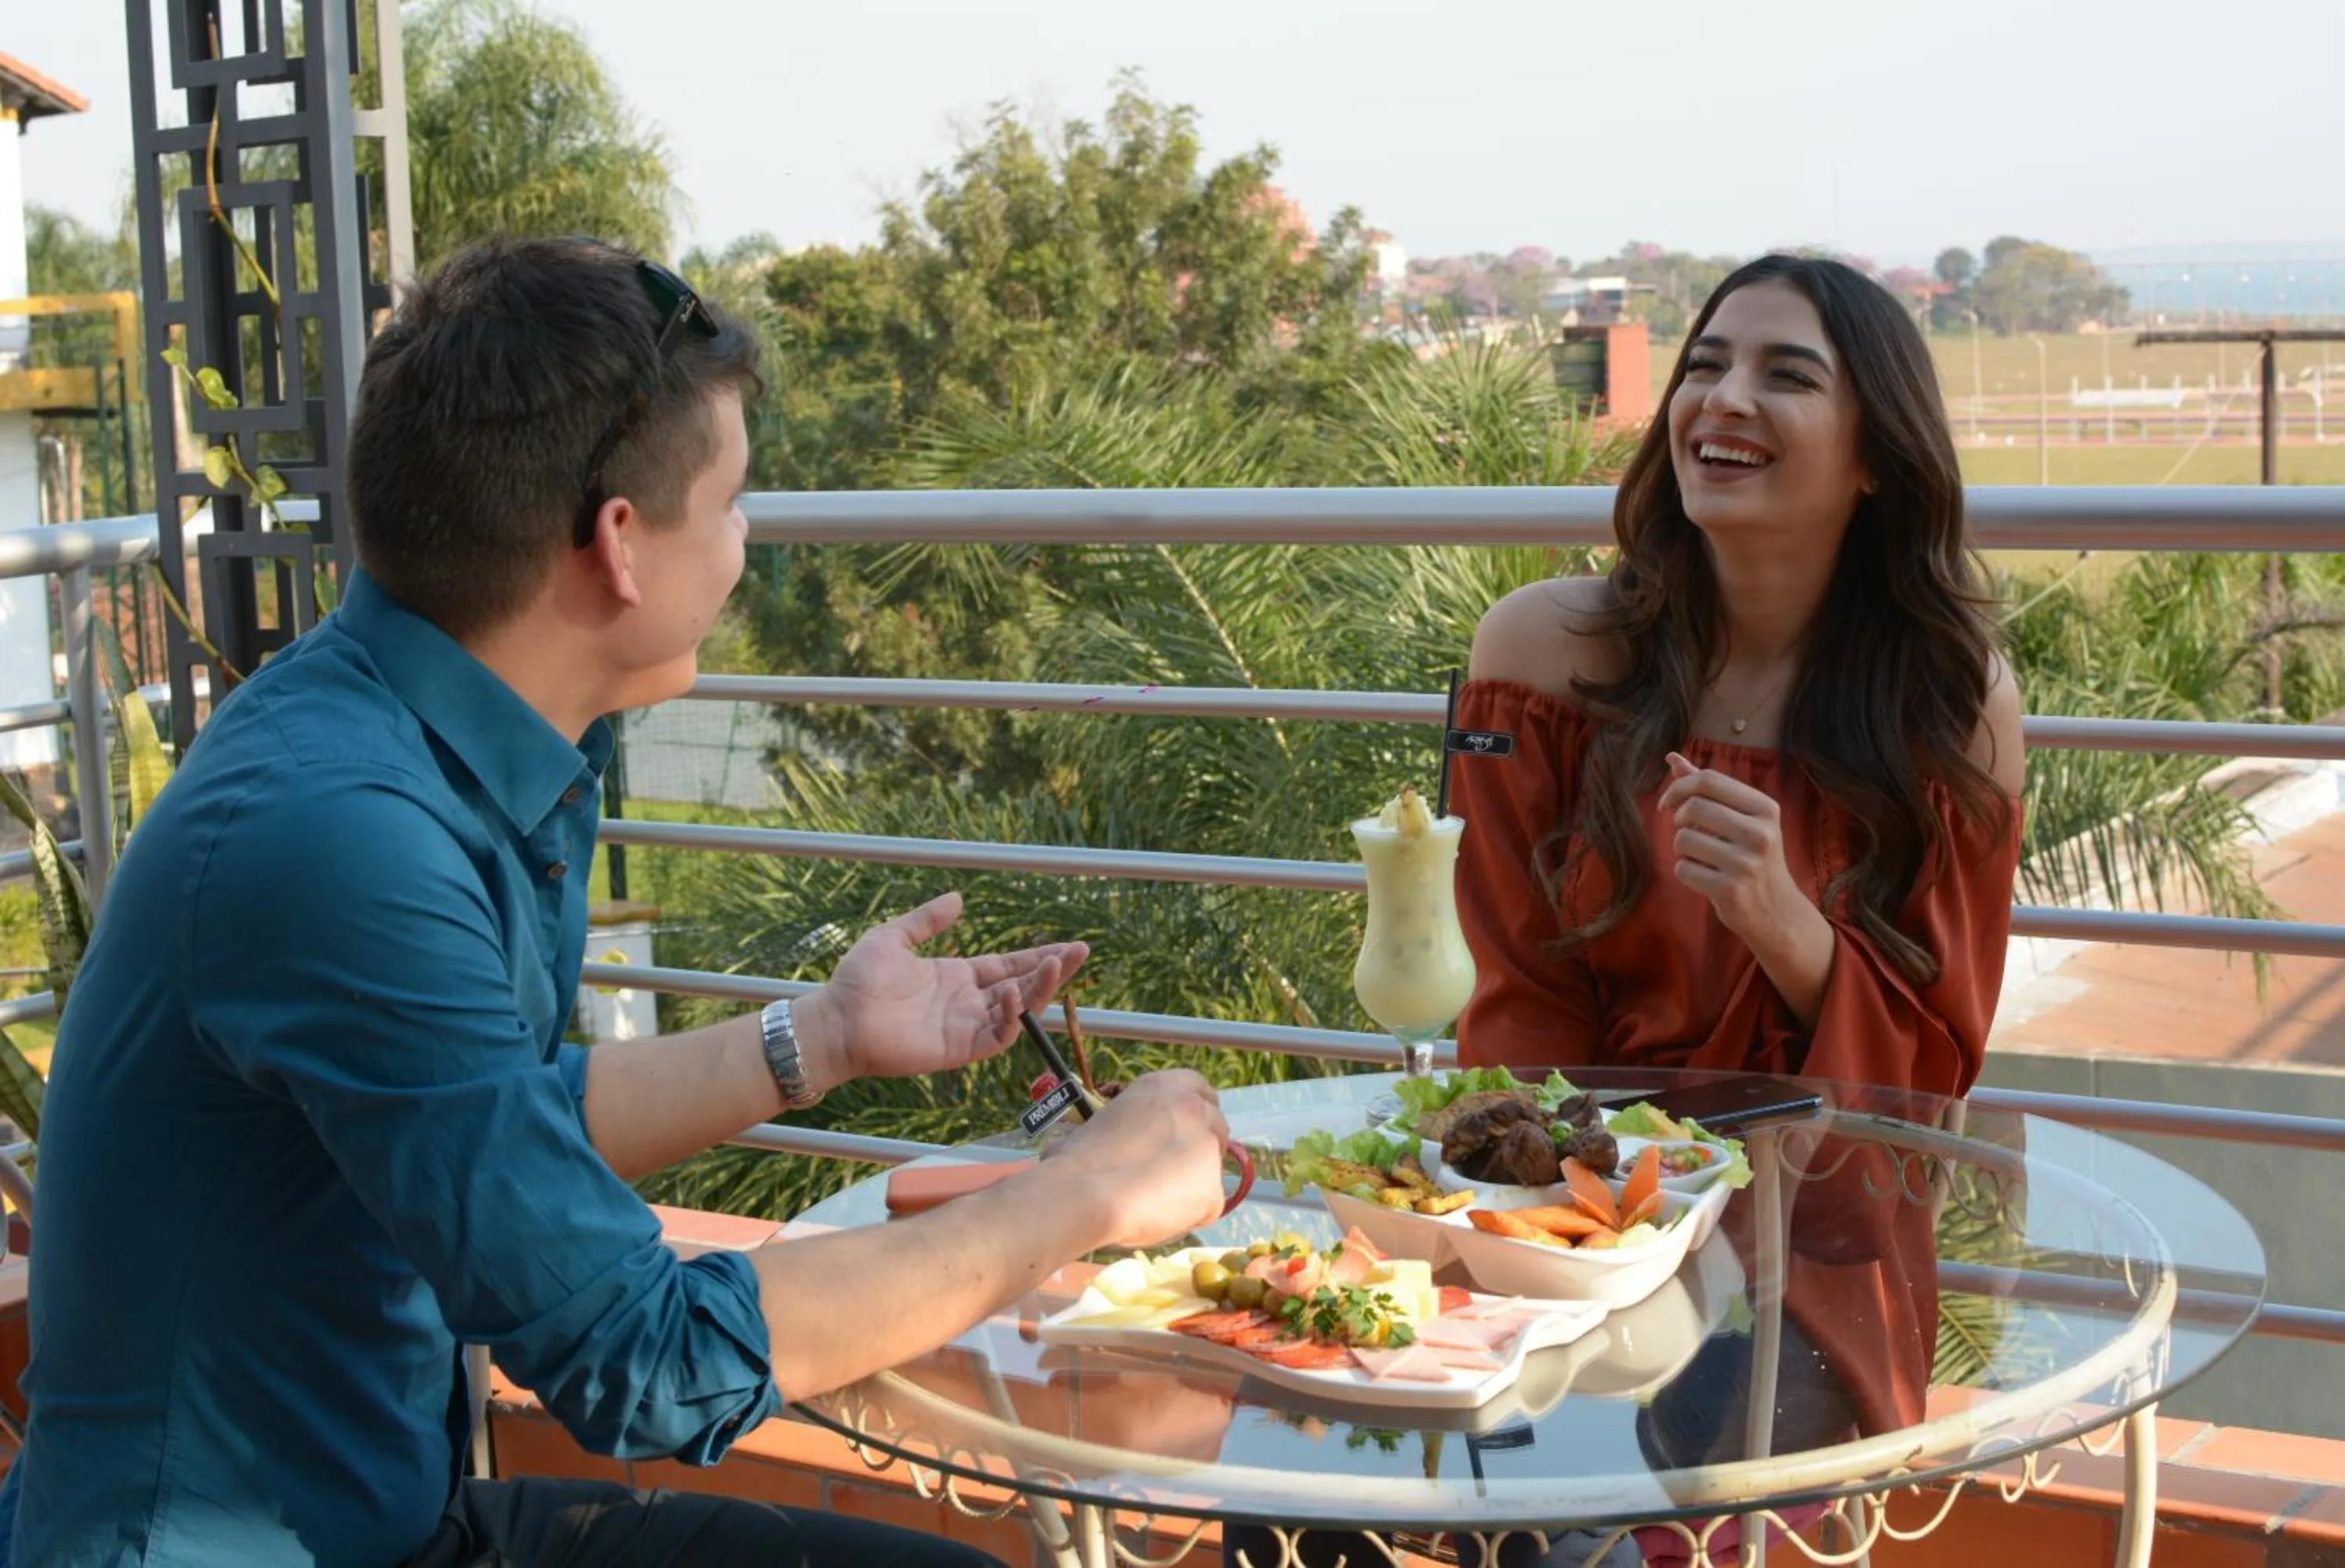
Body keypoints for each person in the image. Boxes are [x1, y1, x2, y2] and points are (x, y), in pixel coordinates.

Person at [2, 237, 1234, 1568]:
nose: (751, 541)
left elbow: (493, 1122)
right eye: (736, 499)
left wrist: (818, 1040)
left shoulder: (429, 734)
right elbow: (648, 1363)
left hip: (380, 1518)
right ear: (622, 545)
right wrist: (1089, 1194)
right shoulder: (340, 841)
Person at [1450, 253, 2026, 1100]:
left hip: (1823, 1192)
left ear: (1877, 456)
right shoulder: (1537, 656)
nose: (1723, 397)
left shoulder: (1948, 701)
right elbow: (1514, 995)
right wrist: (1597, 1199)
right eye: (1704, 365)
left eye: (1787, 375)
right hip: (1578, 1191)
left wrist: (1784, 922)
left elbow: (1933, 1066)